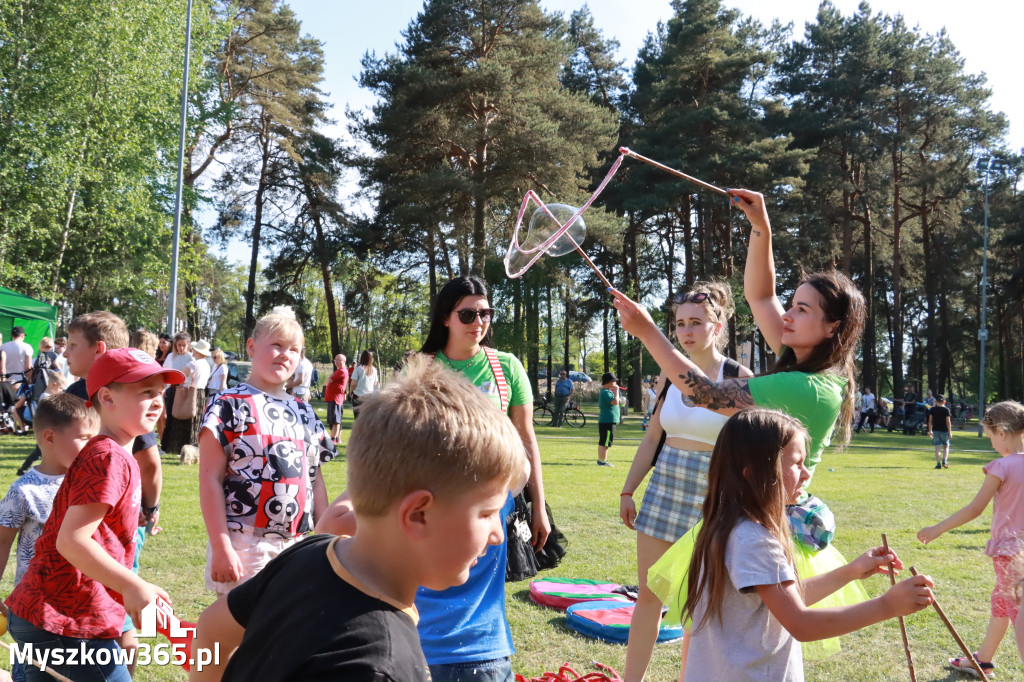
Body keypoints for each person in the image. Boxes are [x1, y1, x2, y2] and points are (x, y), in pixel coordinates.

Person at [189, 359, 526, 682]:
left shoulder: (309, 553)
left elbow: (212, 630)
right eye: (487, 513)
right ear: (418, 515)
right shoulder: (381, 667)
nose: (498, 534)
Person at [319, 275, 548, 682]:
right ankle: (415, 647)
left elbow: (526, 438)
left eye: (485, 313)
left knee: (474, 589)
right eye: (468, 313)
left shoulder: (507, 367)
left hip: (491, 503)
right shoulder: (420, 365)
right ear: (446, 317)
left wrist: (539, 507)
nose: (479, 321)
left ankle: (477, 653)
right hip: (429, 498)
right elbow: (397, 437)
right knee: (425, 580)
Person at [681, 409, 934, 682]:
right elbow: (800, 623)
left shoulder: (730, 527)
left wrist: (852, 571)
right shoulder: (754, 540)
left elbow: (783, 598)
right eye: (796, 464)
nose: (806, 474)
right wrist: (886, 605)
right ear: (753, 473)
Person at [5, 348, 183, 682]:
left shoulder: (113, 454)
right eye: (145, 392)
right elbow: (71, 541)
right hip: (66, 619)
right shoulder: (107, 457)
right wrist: (132, 585)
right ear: (107, 397)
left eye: (160, 392)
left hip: (45, 615)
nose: (158, 401)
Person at [619, 282, 752, 681]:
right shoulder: (668, 374)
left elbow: (748, 447)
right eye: (679, 324)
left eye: (696, 322)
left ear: (718, 324)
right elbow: (652, 437)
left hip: (713, 496)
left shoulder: (738, 376)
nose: (686, 331)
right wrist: (628, 490)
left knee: (701, 602)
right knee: (650, 596)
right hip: (664, 490)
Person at [198, 307, 335, 597]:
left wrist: (325, 542)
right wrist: (222, 547)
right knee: (238, 633)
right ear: (251, 346)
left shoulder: (305, 411)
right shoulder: (228, 404)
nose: (285, 354)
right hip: (245, 544)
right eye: (276, 345)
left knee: (285, 633)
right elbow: (210, 480)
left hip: (297, 544)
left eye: (294, 349)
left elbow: (315, 480)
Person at [918, 401, 1024, 678]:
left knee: (1018, 611)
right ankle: (983, 660)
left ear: (1001, 432)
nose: (991, 444)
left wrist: (937, 528)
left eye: (990, 437)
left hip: (1010, 552)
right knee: (1003, 602)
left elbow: (974, 509)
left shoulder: (1002, 466)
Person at [0, 394, 98, 682]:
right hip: (36, 607)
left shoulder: (90, 482)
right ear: (50, 438)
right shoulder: (24, 491)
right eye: (83, 438)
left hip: (82, 604)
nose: (91, 446)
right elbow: (2, 541)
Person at [160, 332, 195, 454]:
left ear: (188, 345)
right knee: (169, 418)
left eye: (183, 345)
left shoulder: (191, 358)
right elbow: (165, 372)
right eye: (179, 345)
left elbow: (186, 375)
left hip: (184, 390)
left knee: (183, 419)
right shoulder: (171, 356)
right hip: (172, 389)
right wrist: (164, 388)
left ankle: (181, 447)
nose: (181, 348)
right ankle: (165, 447)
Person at [323, 353, 349, 445]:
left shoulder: (341, 371)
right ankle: (337, 438)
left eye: (339, 360)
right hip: (334, 398)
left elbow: (329, 380)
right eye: (335, 360)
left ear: (344, 361)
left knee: (335, 420)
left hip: (336, 398)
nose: (337, 362)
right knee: (334, 420)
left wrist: (329, 379)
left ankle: (333, 439)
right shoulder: (339, 371)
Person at [349, 350, 379, 419]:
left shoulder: (358, 369)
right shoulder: (374, 369)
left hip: (358, 396)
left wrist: (350, 392)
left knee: (358, 419)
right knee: (368, 419)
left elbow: (353, 383)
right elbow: (375, 383)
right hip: (370, 396)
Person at [928, 394, 953, 469]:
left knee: (937, 447)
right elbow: (948, 422)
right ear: (944, 402)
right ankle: (944, 460)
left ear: (935, 401)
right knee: (946, 446)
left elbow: (930, 421)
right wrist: (950, 432)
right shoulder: (946, 410)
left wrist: (930, 431)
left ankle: (938, 463)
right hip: (944, 431)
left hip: (935, 430)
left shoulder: (932, 410)